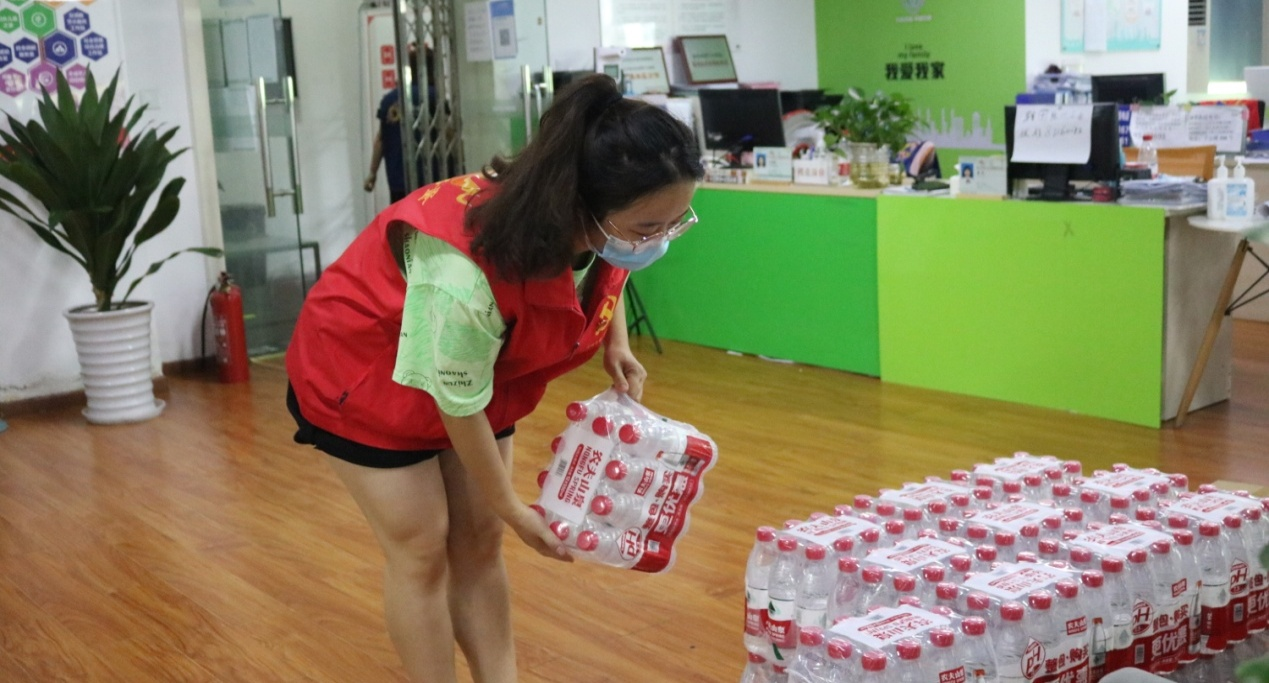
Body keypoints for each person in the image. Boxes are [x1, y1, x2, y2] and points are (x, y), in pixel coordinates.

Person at [286, 73, 703, 683]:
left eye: (674, 223)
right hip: (365, 377)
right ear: (580, 203)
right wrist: (512, 506)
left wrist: (615, 337)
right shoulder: (463, 267)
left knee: (480, 541)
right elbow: (456, 401)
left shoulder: (595, 221)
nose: (658, 241)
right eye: (647, 229)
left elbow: (609, 261)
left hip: (477, 374)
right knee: (422, 549)